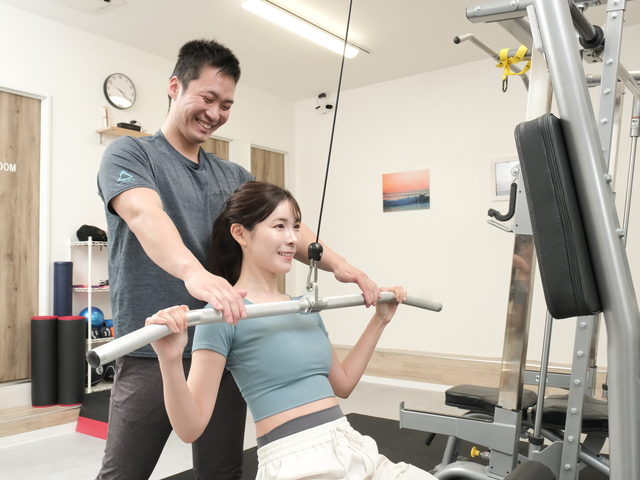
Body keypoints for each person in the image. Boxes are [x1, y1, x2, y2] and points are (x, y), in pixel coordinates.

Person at [96, 39, 379, 480]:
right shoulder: (132, 154)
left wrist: (339, 265)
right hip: (156, 344)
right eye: (207, 98)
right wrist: (194, 274)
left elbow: (285, 226)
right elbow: (143, 214)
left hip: (224, 341)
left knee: (222, 472)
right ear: (175, 86)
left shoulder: (233, 176)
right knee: (123, 474)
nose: (215, 113)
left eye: (226, 104)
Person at [147, 181, 436, 479]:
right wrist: (170, 360)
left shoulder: (304, 306)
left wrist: (380, 319)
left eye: (296, 227)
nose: (293, 239)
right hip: (295, 461)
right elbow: (190, 429)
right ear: (240, 233)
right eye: (279, 226)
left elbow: (344, 384)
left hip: (350, 444)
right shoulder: (223, 315)